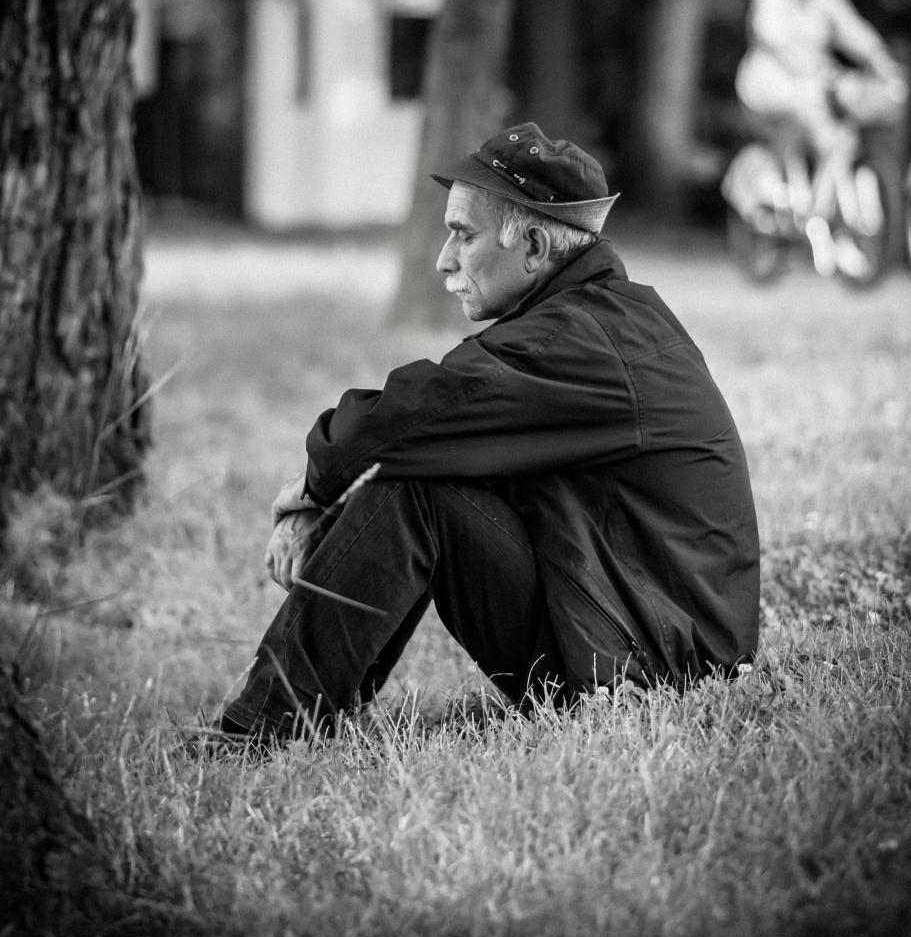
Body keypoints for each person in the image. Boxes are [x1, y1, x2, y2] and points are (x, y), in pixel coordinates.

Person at [210, 122, 760, 748]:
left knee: (417, 487)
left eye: (462, 235)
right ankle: (295, 712)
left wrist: (311, 489)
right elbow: (429, 431)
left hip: (653, 669)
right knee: (422, 466)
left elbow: (410, 415)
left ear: (531, 246)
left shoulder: (576, 341)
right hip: (646, 636)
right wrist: (329, 496)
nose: (444, 261)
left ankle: (264, 731)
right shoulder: (590, 321)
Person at [734, 0, 905, 276]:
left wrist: (884, 63)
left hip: (808, 92)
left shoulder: (829, 2)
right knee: (816, 131)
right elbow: (768, 34)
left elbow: (858, 35)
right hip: (767, 90)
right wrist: (807, 64)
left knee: (833, 138)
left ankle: (816, 215)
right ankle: (799, 212)